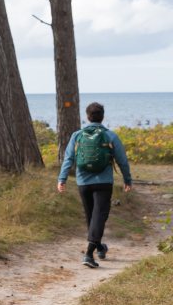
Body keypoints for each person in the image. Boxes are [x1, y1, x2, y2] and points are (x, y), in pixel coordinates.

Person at [57, 102, 133, 268]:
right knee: (99, 217)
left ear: (87, 117)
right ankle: (89, 254)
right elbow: (122, 161)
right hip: (104, 182)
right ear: (102, 116)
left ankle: (99, 247)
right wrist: (127, 180)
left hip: (83, 182)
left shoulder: (77, 135)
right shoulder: (110, 136)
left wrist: (61, 179)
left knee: (91, 217)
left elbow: (68, 158)